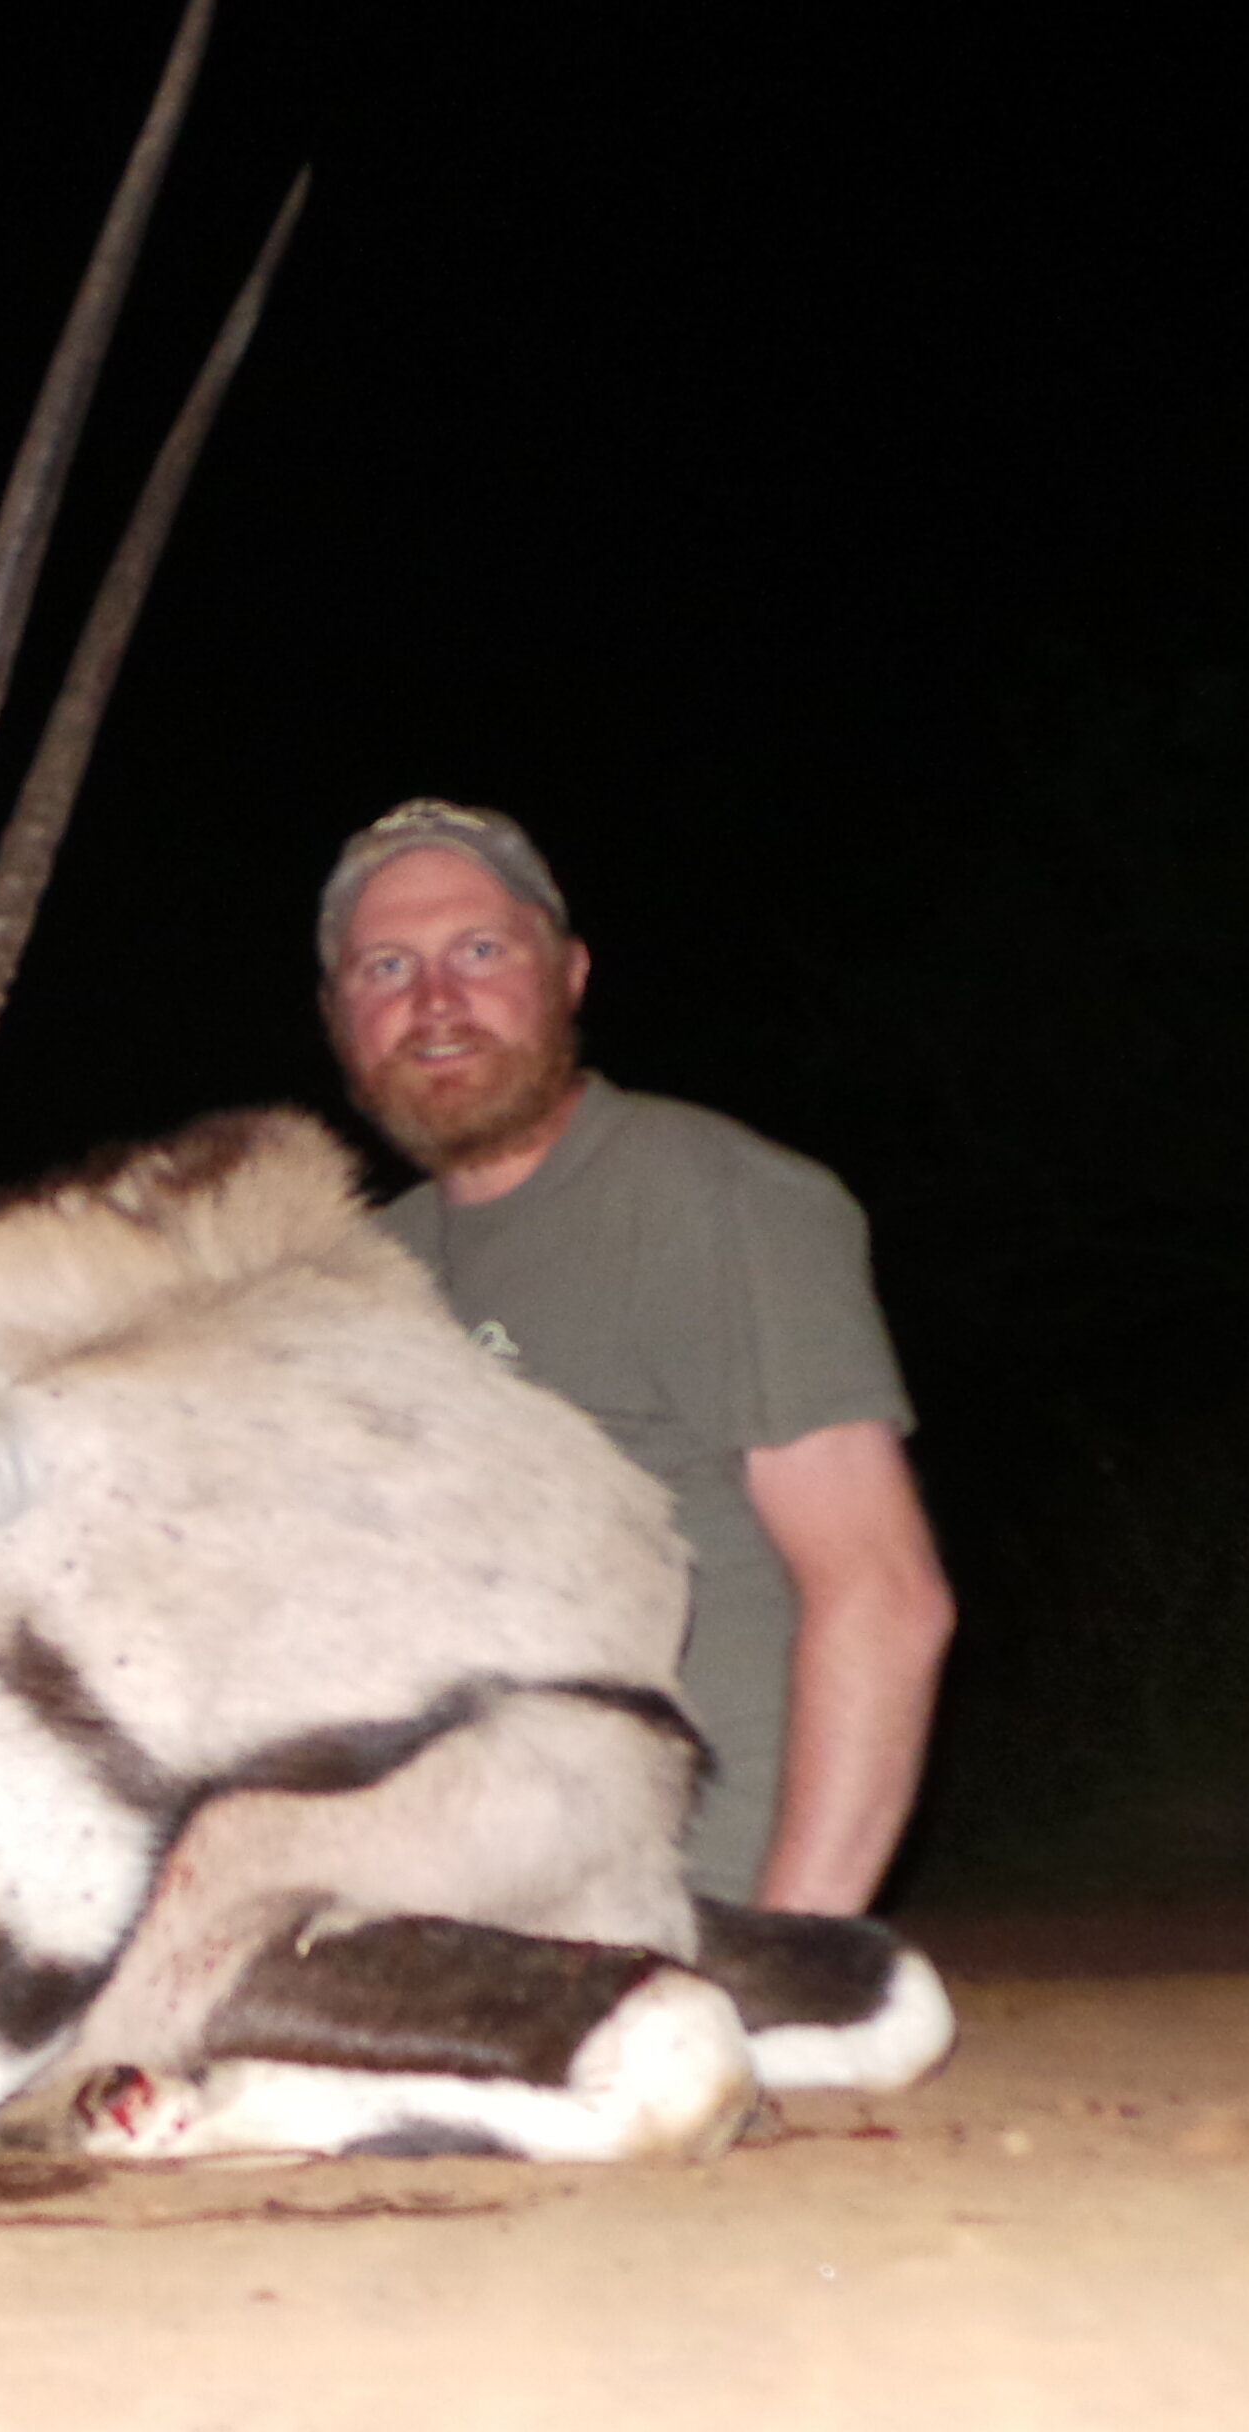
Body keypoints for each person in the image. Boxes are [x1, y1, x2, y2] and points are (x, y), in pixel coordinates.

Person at [316, 800, 954, 1915]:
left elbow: (886, 1597)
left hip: (681, 1907)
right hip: (462, 1899)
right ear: (340, 1019)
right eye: (386, 967)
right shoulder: (362, 1270)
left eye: (479, 951)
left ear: (567, 975)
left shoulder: (711, 1199)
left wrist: (786, 1957)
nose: (435, 1003)